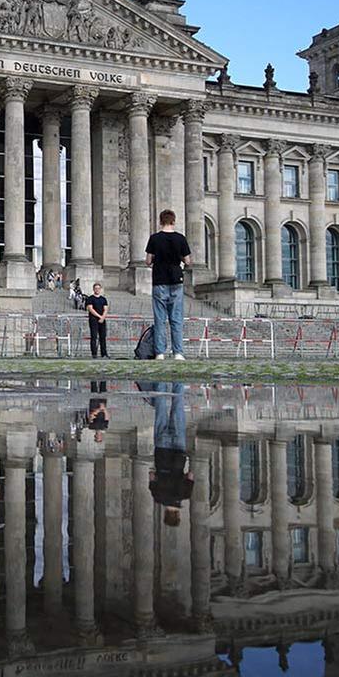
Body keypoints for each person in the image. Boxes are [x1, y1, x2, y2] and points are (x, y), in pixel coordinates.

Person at [144, 208, 192, 360]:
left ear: (160, 221)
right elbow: (188, 260)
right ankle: (178, 352)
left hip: (159, 280)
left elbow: (148, 260)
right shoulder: (180, 238)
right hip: (176, 280)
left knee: (160, 318)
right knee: (176, 318)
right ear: (173, 221)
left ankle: (160, 353)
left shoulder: (154, 238)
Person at [145, 381, 193, 527]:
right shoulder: (158, 496)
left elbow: (190, 475)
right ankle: (160, 382)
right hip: (161, 449)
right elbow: (152, 475)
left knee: (177, 406)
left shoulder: (184, 494)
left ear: (177, 515)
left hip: (178, 450)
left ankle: (179, 380)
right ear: (165, 514)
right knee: (160, 408)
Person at [84, 281, 110, 358]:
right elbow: (90, 309)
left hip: (102, 320)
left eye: (98, 288)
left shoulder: (103, 299)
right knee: (94, 337)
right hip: (93, 319)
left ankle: (104, 353)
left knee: (103, 337)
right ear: (93, 289)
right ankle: (94, 354)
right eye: (96, 288)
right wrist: (99, 316)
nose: (97, 290)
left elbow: (106, 309)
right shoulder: (90, 298)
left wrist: (103, 317)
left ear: (100, 289)